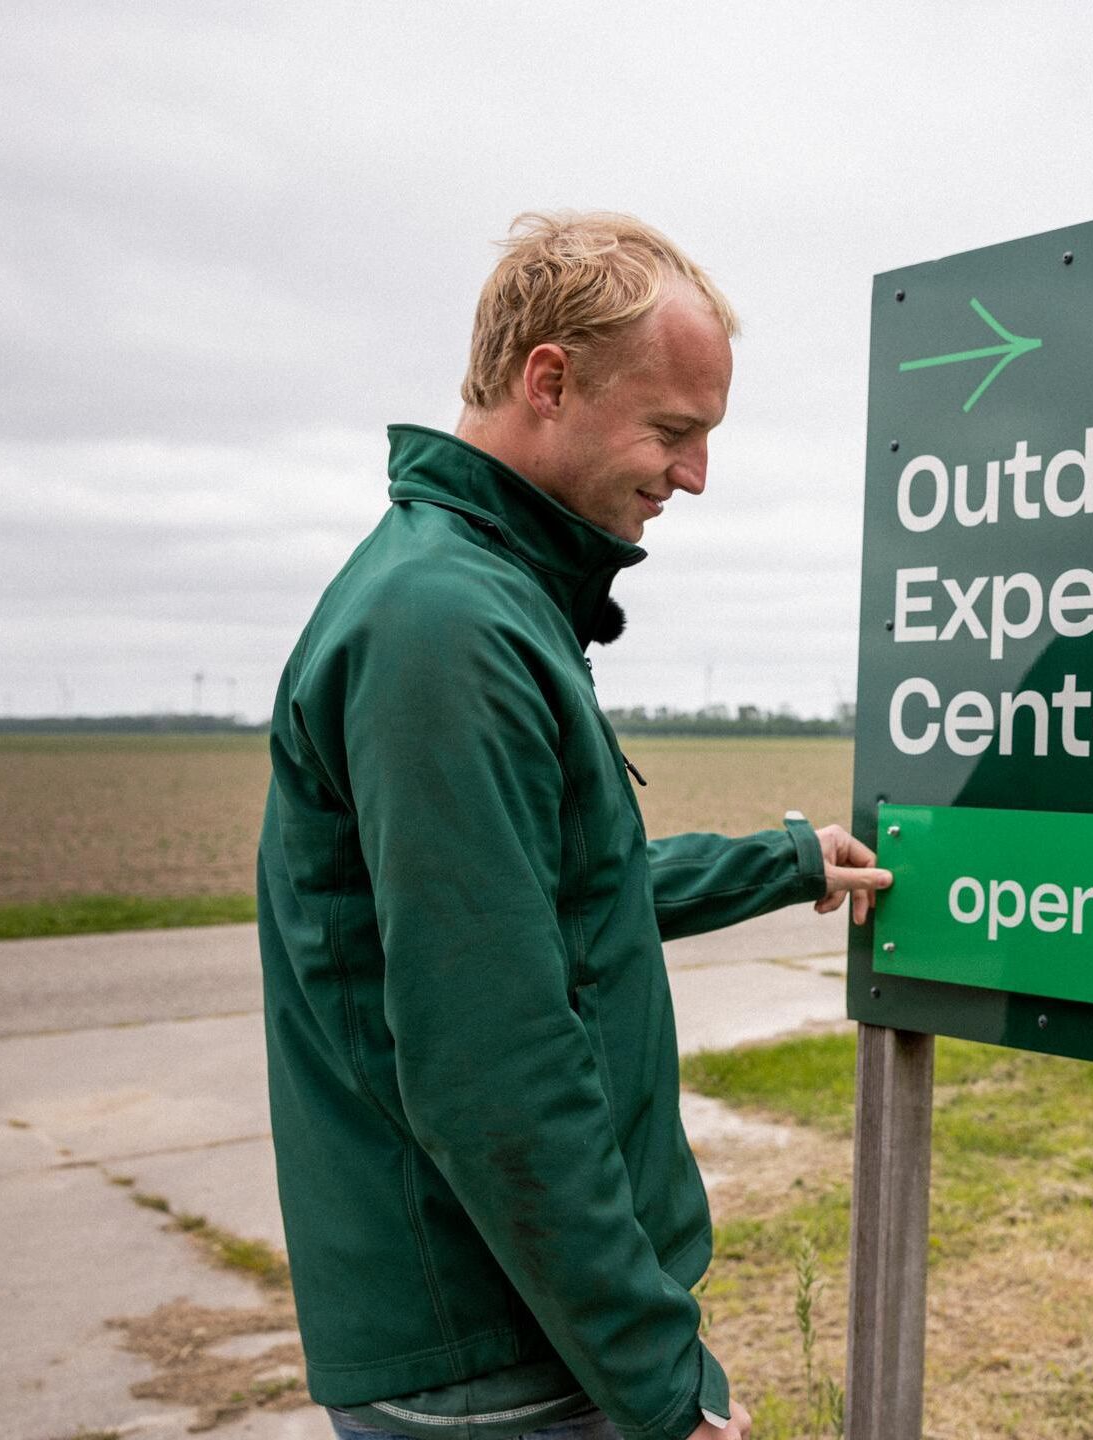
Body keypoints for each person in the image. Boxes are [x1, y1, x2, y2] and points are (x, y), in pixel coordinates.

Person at [255, 211, 891, 1440]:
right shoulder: (444, 627)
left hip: (516, 1327)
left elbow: (561, 895)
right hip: (498, 1345)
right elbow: (492, 1061)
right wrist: (659, 1384)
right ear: (549, 381)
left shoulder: (488, 599)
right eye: (674, 429)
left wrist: (786, 859)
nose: (695, 475)